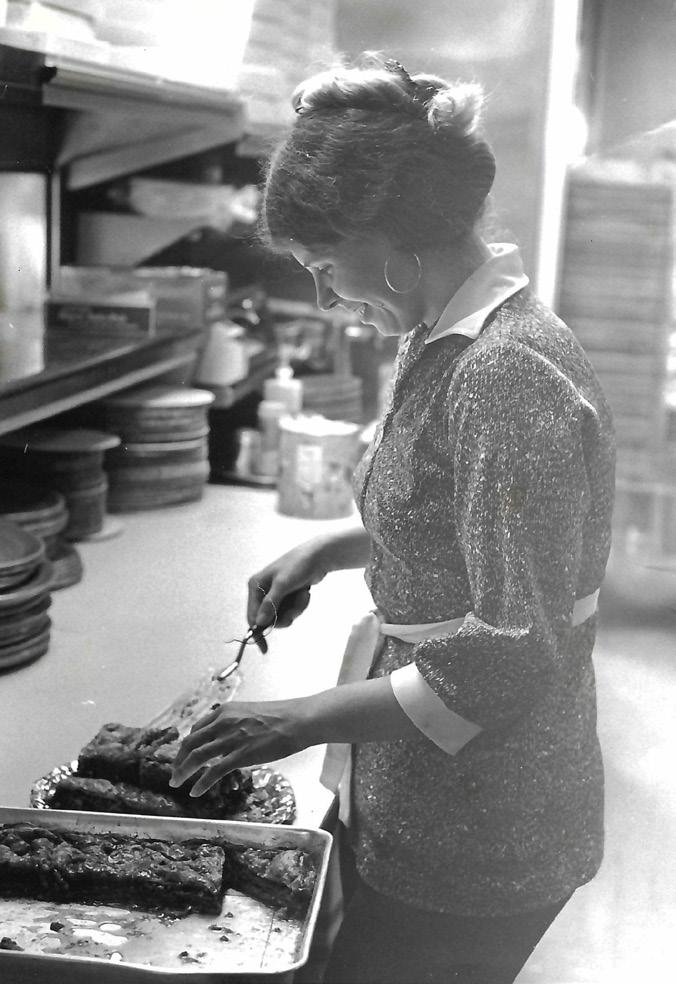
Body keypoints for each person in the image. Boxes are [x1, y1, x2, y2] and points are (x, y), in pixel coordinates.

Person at [171, 54, 616, 984]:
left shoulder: (506, 373)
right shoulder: (443, 336)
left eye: (325, 268)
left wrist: (293, 721)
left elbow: (513, 646)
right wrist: (330, 549)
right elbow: (467, 519)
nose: (326, 298)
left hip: (484, 821)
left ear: (390, 238)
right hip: (425, 785)